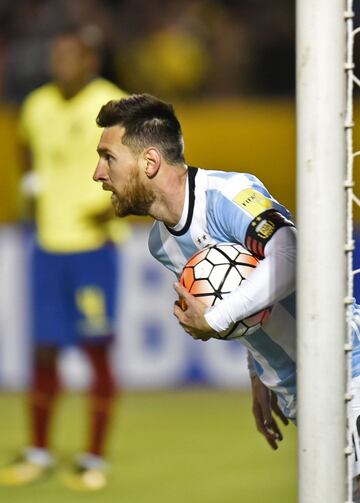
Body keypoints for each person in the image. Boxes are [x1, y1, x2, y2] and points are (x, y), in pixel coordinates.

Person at [91, 93, 360, 492]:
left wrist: (215, 320)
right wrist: (260, 371)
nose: (97, 173)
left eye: (107, 157)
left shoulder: (227, 194)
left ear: (149, 162)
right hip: (299, 394)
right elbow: (240, 296)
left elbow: (290, 254)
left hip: (347, 374)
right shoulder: (160, 244)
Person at [0, 27, 129, 491]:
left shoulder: (114, 105)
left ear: (89, 61)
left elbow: (139, 165)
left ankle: (95, 457)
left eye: (70, 58)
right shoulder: (37, 105)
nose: (61, 66)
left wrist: (114, 202)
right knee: (42, 351)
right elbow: (26, 152)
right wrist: (31, 200)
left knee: (97, 349)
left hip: (95, 248)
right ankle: (38, 451)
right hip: (48, 246)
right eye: (56, 57)